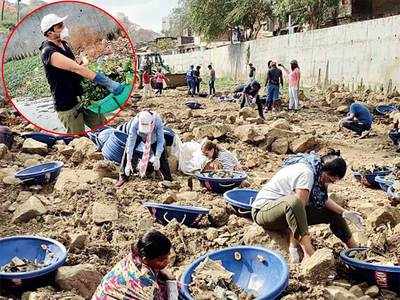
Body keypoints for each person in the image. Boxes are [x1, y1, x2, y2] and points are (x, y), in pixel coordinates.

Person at [251, 149, 364, 263]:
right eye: (330, 179)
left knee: (333, 213)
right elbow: (298, 208)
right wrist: (294, 245)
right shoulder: (307, 174)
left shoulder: (317, 171)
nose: (330, 183)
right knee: (294, 202)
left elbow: (322, 200)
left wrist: (344, 212)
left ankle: (355, 250)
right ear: (325, 170)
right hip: (264, 212)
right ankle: (309, 254)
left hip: (285, 212)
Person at [39, 14, 123, 134]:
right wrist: (107, 82)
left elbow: (73, 64)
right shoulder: (48, 52)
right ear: (49, 33)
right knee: (79, 138)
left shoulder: (64, 44)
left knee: (103, 127)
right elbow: (76, 69)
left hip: (83, 98)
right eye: (60, 26)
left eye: (63, 24)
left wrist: (81, 62)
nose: (64, 27)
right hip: (67, 104)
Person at [93, 230, 176, 300]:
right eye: (161, 260)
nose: (168, 261)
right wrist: (171, 282)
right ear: (145, 259)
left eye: (168, 255)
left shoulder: (134, 255)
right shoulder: (148, 286)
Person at [116, 110, 172, 187]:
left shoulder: (157, 121)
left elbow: (160, 140)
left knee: (162, 156)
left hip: (153, 138)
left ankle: (168, 178)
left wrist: (157, 156)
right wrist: (128, 160)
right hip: (139, 135)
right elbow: (131, 141)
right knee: (127, 151)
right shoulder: (135, 123)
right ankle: (123, 176)